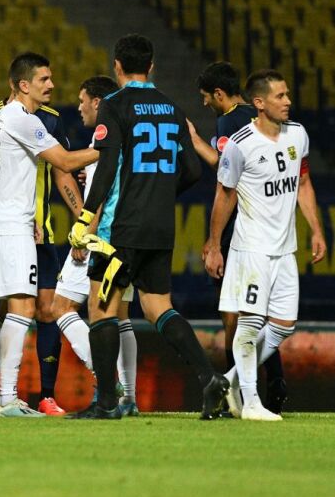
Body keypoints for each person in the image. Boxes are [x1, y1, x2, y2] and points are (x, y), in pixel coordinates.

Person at [67, 34, 228, 420]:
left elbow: (106, 167)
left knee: (101, 309)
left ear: (117, 66)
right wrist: (160, 193)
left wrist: (85, 218)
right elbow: (192, 170)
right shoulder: (172, 108)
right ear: (151, 66)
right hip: (160, 226)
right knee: (158, 308)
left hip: (120, 227)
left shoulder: (114, 104)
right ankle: (209, 378)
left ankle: (107, 403)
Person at [0, 54, 97, 417]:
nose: (51, 85)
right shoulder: (22, 119)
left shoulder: (2, 117)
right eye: (44, 79)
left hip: (3, 224)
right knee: (23, 308)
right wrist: (108, 148)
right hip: (12, 228)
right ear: (23, 85)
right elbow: (66, 162)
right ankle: (8, 399)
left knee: (7, 311)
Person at [204, 69, 326, 421]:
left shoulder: (297, 134)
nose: (288, 101)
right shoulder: (240, 144)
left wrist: (316, 230)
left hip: (285, 247)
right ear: (259, 102)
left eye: (287, 94)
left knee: (284, 324)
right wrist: (214, 244)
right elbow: (224, 194)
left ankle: (228, 382)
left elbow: (303, 183)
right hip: (252, 247)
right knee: (250, 322)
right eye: (280, 96)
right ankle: (251, 402)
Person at [187, 62, 287, 414]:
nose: (204, 103)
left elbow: (225, 169)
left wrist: (195, 141)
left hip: (239, 230)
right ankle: (274, 383)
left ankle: (239, 390)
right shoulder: (260, 117)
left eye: (206, 97)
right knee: (256, 315)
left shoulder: (230, 121)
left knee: (234, 316)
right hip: (267, 227)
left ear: (219, 94)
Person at [52, 75, 140, 416]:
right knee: (120, 313)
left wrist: (85, 229)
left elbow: (104, 191)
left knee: (61, 307)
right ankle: (128, 398)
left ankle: (107, 380)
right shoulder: (128, 133)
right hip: (127, 234)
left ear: (98, 102)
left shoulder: (106, 134)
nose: (79, 107)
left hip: (100, 235)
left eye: (82, 100)